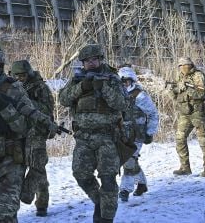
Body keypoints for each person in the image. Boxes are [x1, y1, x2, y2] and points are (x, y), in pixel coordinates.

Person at [0, 41, 58, 223]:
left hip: (10, 163)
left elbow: (25, 127)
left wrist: (4, 108)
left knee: (4, 217)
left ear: (0, 65)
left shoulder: (14, 89)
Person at [58, 44, 129, 223]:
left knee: (108, 180)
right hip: (83, 137)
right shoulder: (77, 79)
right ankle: (100, 202)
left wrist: (102, 87)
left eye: (94, 59)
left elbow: (121, 104)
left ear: (100, 59)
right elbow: (64, 100)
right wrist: (82, 87)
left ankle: (105, 218)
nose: (90, 63)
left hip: (107, 137)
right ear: (83, 63)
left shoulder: (112, 78)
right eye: (87, 61)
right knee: (80, 173)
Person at [10, 60, 55, 217]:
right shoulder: (9, 88)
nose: (20, 79)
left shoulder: (40, 87)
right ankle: (11, 207)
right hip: (16, 132)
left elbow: (48, 110)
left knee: (38, 166)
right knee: (15, 169)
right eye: (17, 76)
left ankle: (41, 204)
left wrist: (27, 101)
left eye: (23, 75)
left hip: (36, 130)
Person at [117, 67, 159, 203]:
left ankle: (124, 190)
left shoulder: (139, 95)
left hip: (137, 134)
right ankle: (142, 184)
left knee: (128, 160)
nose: (124, 84)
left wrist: (149, 132)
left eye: (127, 81)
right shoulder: (116, 96)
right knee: (130, 160)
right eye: (122, 82)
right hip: (122, 134)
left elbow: (153, 114)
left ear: (132, 80)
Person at [170, 57, 205, 177]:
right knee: (179, 138)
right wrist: (175, 90)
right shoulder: (179, 76)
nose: (182, 68)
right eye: (180, 66)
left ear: (189, 65)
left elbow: (202, 93)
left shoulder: (198, 76)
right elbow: (174, 94)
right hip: (185, 112)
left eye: (184, 65)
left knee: (203, 141)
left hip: (199, 112)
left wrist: (188, 90)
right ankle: (185, 167)